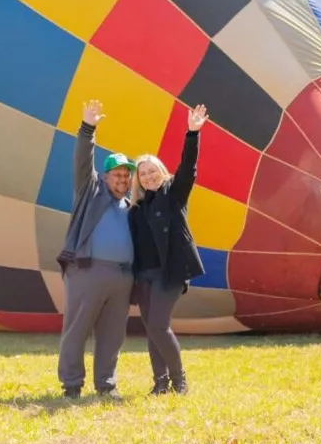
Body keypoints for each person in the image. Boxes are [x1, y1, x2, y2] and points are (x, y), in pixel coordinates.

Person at [55, 100, 137, 399]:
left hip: (122, 277)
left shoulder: (130, 206)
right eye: (117, 174)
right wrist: (88, 128)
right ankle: (72, 385)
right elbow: (82, 161)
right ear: (105, 177)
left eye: (127, 175)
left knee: (112, 335)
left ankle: (107, 384)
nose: (123, 179)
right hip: (88, 270)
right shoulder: (90, 193)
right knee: (77, 329)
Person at [128, 104, 209, 395]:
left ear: (161, 172)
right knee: (151, 328)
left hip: (169, 273)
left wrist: (192, 133)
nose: (148, 176)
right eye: (143, 174)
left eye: (152, 171)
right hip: (145, 276)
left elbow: (189, 167)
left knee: (159, 326)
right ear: (138, 180)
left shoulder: (174, 194)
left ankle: (179, 380)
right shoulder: (136, 208)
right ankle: (159, 382)